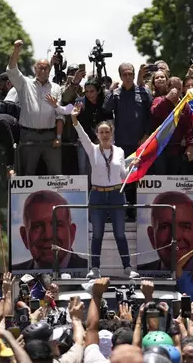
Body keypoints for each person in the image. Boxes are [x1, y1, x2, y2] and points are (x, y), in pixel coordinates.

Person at [68, 102, 140, 279]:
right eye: (101, 132)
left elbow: (123, 175)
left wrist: (134, 166)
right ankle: (95, 269)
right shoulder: (92, 149)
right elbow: (82, 135)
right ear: (97, 134)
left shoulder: (120, 152)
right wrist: (74, 119)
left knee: (120, 234)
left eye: (108, 132)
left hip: (116, 194)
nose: (105, 135)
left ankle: (127, 268)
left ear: (112, 133)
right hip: (98, 194)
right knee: (98, 234)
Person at [6, 40, 64, 176]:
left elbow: (59, 115)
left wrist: (59, 137)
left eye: (46, 68)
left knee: (56, 174)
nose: (43, 70)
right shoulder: (24, 83)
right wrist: (16, 50)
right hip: (29, 135)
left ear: (50, 70)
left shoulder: (55, 87)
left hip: (50, 136)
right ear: (35, 68)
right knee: (28, 173)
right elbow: (11, 70)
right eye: (40, 67)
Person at [104, 63, 153, 221]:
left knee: (139, 177)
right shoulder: (116, 94)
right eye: (124, 74)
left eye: (130, 73)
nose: (128, 76)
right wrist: (110, 90)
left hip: (141, 143)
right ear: (120, 76)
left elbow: (151, 116)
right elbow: (106, 108)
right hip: (122, 144)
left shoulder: (144, 92)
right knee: (124, 177)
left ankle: (139, 212)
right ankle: (124, 211)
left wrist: (146, 135)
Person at [12, 190, 87, 270]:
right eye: (37, 227)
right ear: (24, 237)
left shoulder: (89, 270)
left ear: (72, 233)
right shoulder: (15, 273)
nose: (48, 235)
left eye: (57, 225)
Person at [138, 191, 193, 272]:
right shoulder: (140, 274)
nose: (176, 236)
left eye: (185, 227)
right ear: (152, 237)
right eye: (165, 227)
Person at [149, 77, 193, 175]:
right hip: (160, 149)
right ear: (167, 88)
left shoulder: (184, 105)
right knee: (161, 176)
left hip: (177, 150)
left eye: (179, 88)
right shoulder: (159, 100)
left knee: (175, 180)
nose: (176, 91)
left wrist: (190, 146)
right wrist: (167, 99)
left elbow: (189, 127)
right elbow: (154, 114)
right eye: (173, 88)